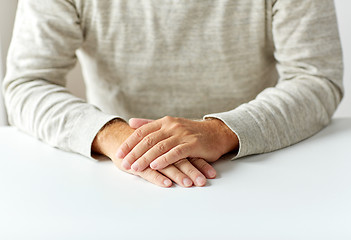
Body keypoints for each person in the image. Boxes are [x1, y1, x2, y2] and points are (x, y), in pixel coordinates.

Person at [3, 0, 343, 188]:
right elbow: (27, 82)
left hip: (252, 171)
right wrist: (116, 137)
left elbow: (317, 79)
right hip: (117, 179)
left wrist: (222, 131)